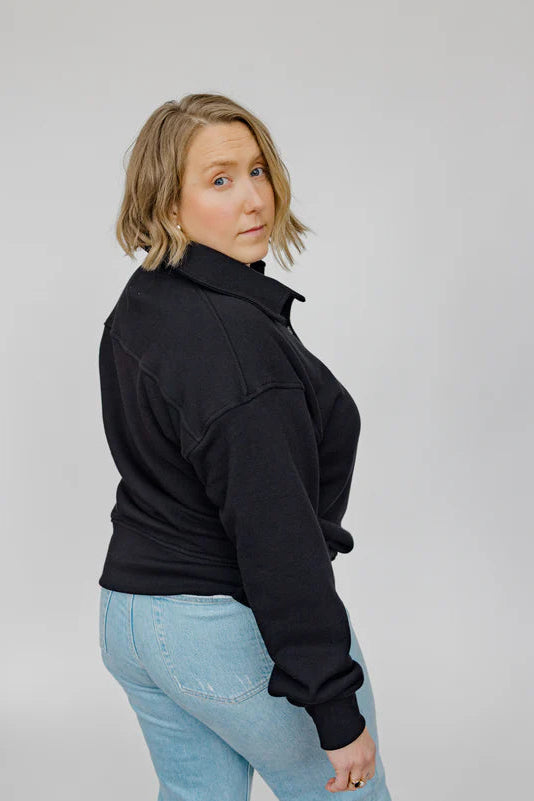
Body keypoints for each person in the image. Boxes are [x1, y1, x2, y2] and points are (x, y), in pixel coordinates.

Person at [97, 93, 392, 800]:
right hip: (222, 626)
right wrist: (331, 702)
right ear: (170, 207)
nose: (254, 197)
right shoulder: (236, 347)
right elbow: (276, 535)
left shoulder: (144, 302)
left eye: (257, 170)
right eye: (220, 179)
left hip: (134, 617)